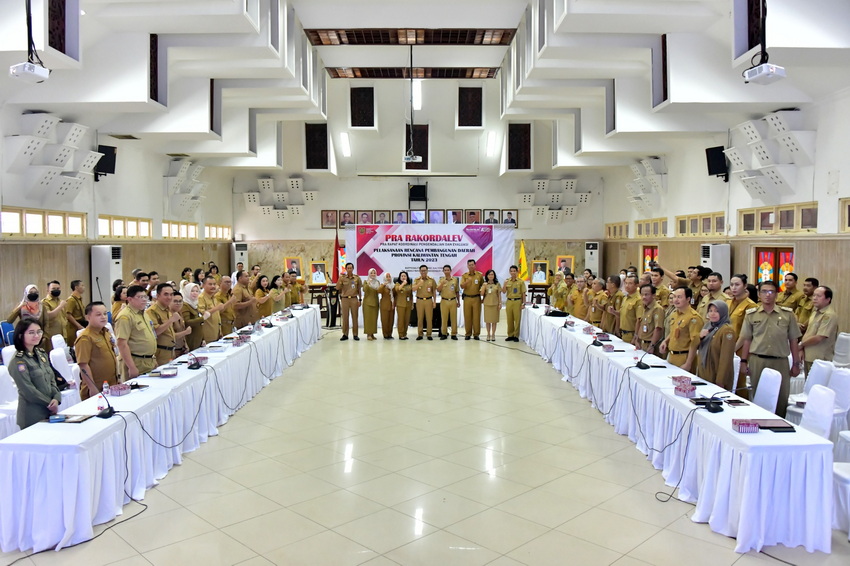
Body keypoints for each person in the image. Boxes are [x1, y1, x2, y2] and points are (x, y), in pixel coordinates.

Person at [740, 280, 801, 417]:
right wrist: (744, 361)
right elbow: (747, 339)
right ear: (759, 294)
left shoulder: (787, 314)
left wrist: (796, 363)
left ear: (776, 294)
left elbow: (793, 340)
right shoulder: (751, 314)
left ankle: (779, 426)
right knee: (759, 395)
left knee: (781, 397)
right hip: (758, 360)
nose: (767, 295)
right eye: (764, 291)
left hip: (780, 361)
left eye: (771, 291)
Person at [7, 320, 61, 429]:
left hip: (49, 411)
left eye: (39, 332)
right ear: (21, 335)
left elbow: (51, 379)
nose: (36, 335)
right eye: (31, 332)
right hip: (32, 414)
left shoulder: (41, 354)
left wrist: (56, 398)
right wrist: (49, 403)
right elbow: (27, 389)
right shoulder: (18, 360)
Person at [75, 302, 119, 400]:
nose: (103, 317)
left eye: (104, 313)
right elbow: (83, 365)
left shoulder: (106, 333)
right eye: (98, 314)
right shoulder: (85, 337)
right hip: (96, 388)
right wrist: (92, 388)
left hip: (111, 385)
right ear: (88, 317)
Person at [114, 285, 158, 379]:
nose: (144, 300)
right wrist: (132, 367)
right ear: (129, 299)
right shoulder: (125, 316)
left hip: (148, 361)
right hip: (135, 362)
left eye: (145, 297)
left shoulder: (144, 313)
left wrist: (153, 359)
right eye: (139, 297)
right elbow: (122, 344)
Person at [659, 287, 703, 372]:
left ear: (688, 299)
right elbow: (673, 331)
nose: (676, 300)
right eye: (674, 297)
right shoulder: (674, 314)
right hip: (672, 355)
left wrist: (688, 363)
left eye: (679, 297)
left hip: (684, 357)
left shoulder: (693, 318)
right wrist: (665, 341)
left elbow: (694, 343)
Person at [799, 286, 839, 375]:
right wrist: (801, 348)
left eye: (819, 296)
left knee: (817, 386)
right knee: (808, 385)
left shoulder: (829, 315)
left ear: (828, 299)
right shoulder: (815, 312)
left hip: (820, 358)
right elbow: (808, 332)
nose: (814, 298)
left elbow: (819, 337)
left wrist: (801, 345)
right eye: (814, 295)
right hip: (808, 355)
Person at [696, 301, 736, 389]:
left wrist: (720, 381)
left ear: (723, 313)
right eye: (710, 311)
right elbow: (695, 347)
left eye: (716, 311)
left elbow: (726, 358)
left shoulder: (727, 330)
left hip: (717, 375)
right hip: (704, 372)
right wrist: (699, 337)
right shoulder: (708, 326)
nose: (712, 314)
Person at [146, 283, 182, 366]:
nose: (169, 297)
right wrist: (170, 320)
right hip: (160, 352)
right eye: (166, 294)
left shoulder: (167, 309)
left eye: (171, 294)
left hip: (171, 350)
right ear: (158, 296)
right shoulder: (152, 311)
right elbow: (155, 332)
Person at [199, 276, 233, 343]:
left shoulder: (213, 297)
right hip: (208, 335)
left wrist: (220, 331)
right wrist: (216, 308)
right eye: (210, 284)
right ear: (203, 285)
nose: (213, 286)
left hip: (217, 334)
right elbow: (202, 315)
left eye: (214, 284)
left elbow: (217, 315)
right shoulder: (201, 298)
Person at [726, 274, 757, 341]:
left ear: (745, 286)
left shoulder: (751, 305)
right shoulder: (728, 302)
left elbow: (748, 332)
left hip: (740, 344)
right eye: (731, 285)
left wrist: (735, 348)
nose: (734, 288)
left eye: (737, 285)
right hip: (727, 340)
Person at [635, 284, 664, 353]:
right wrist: (637, 340)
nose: (643, 297)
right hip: (642, 344)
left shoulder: (657, 309)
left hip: (651, 345)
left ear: (653, 295)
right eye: (642, 295)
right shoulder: (644, 307)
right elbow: (641, 325)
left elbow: (658, 329)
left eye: (646, 294)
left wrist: (652, 345)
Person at [336, 263, 362, 341]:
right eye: (348, 268)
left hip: (354, 299)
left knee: (355, 317)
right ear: (346, 269)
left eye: (351, 268)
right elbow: (337, 288)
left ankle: (355, 334)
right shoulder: (342, 278)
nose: (349, 269)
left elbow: (359, 290)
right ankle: (345, 334)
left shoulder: (357, 278)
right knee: (345, 317)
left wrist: (360, 300)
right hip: (345, 299)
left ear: (353, 269)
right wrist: (340, 281)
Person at [460, 259, 484, 340]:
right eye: (469, 265)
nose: (471, 266)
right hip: (467, 298)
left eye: (472, 265)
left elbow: (483, 286)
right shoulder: (464, 276)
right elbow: (462, 286)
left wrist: (483, 297)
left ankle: (476, 334)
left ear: (475, 265)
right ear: (467, 266)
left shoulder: (479, 275)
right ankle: (468, 333)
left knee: (476, 317)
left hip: (476, 298)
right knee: (467, 316)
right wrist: (467, 282)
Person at [41, 280, 67, 350]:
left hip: (63, 334)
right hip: (51, 335)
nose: (56, 290)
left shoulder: (60, 301)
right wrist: (60, 306)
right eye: (53, 289)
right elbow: (49, 316)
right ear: (48, 290)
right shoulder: (44, 302)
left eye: (58, 289)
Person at [412, 265, 436, 340]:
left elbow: (434, 291)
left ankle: (429, 334)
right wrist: (419, 284)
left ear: (427, 271)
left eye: (424, 270)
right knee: (420, 318)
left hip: (429, 300)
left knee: (429, 318)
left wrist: (434, 301)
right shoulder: (417, 280)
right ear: (419, 271)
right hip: (419, 301)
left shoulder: (431, 280)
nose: (423, 272)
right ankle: (420, 334)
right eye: (422, 271)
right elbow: (413, 289)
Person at [503, 265, 526, 342]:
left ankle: (516, 335)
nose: (513, 272)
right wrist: (505, 284)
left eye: (514, 271)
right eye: (511, 271)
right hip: (509, 301)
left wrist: (523, 303)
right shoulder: (507, 281)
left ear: (517, 272)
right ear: (509, 272)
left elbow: (523, 293)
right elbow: (503, 291)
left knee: (517, 319)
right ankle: (510, 335)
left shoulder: (521, 281)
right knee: (509, 319)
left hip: (517, 301)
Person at [181, 282, 205, 351]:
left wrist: (203, 339)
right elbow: (187, 322)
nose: (195, 293)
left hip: (198, 339)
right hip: (190, 339)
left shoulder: (194, 304)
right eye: (192, 291)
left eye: (197, 291)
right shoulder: (185, 305)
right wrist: (203, 318)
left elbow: (200, 324)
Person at [437, 265, 459, 340]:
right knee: (444, 318)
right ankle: (444, 333)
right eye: (445, 270)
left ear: (450, 271)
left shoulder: (455, 280)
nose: (446, 271)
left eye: (448, 270)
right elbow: (438, 290)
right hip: (444, 301)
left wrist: (458, 301)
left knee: (453, 318)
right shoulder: (441, 280)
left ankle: (454, 334)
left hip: (453, 300)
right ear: (443, 271)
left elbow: (457, 291)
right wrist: (442, 283)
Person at [618, 275, 640, 343]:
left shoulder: (638, 299)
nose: (627, 285)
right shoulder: (625, 297)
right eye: (626, 283)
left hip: (631, 334)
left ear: (636, 285)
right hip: (623, 333)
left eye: (630, 283)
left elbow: (639, 320)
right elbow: (622, 314)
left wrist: (636, 336)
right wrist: (613, 312)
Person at [479, 269, 501, 341]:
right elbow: (481, 294)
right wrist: (484, 286)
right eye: (489, 275)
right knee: (488, 321)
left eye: (492, 274)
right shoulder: (485, 284)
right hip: (487, 304)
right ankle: (488, 334)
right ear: (487, 276)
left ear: (494, 276)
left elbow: (499, 295)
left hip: (495, 304)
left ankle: (493, 334)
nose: (491, 276)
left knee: (494, 321)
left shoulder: (497, 284)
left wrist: (500, 303)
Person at [64, 279, 86, 345]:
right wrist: (78, 325)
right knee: (74, 345)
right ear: (76, 287)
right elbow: (68, 315)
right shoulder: (71, 300)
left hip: (81, 323)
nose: (84, 287)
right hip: (73, 326)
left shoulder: (79, 298)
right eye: (82, 285)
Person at [393, 271, 413, 340]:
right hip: (400, 304)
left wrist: (412, 303)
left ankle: (405, 334)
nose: (403, 277)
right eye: (402, 276)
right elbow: (397, 290)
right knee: (401, 320)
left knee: (406, 320)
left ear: (407, 277)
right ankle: (401, 334)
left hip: (408, 304)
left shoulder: (409, 285)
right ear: (400, 277)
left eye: (405, 276)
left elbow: (411, 295)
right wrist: (403, 283)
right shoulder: (397, 284)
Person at [362, 269, 381, 341]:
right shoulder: (366, 282)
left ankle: (372, 333)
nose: (373, 274)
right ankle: (368, 334)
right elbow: (364, 289)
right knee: (368, 319)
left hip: (375, 302)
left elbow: (379, 291)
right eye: (371, 273)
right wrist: (368, 283)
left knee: (374, 319)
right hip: (367, 303)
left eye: (374, 273)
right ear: (369, 274)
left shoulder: (377, 282)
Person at [379, 273, 395, 340]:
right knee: (385, 320)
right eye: (387, 277)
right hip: (384, 305)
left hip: (392, 305)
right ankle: (385, 334)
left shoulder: (393, 286)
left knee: (391, 320)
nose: (388, 278)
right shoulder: (383, 285)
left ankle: (390, 334)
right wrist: (383, 285)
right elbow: (378, 291)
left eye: (389, 277)